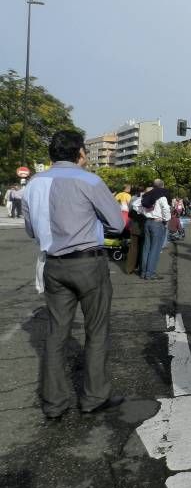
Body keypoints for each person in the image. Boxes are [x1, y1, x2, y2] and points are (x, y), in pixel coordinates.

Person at [22, 130, 126, 418]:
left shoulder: (33, 183)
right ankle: (93, 397)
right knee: (96, 331)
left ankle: (54, 403)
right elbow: (117, 224)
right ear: (80, 153)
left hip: (54, 264)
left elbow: (30, 229)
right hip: (88, 263)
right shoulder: (90, 180)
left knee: (56, 334)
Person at [140, 179, 171, 280]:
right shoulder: (162, 195)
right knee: (155, 249)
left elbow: (138, 207)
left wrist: (146, 214)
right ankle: (150, 273)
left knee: (146, 248)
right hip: (157, 223)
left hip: (147, 221)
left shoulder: (146, 195)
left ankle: (143, 272)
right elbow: (166, 208)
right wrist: (166, 220)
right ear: (162, 185)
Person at [126, 186, 146, 275]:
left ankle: (129, 268)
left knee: (133, 247)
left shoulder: (133, 199)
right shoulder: (149, 199)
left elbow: (130, 213)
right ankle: (141, 268)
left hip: (134, 224)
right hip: (144, 225)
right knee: (143, 247)